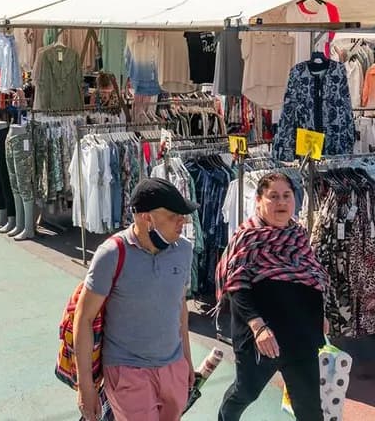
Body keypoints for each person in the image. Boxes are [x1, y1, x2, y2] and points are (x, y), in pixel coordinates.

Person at [74, 178, 195, 421]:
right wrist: (85, 387)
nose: (182, 221)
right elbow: (83, 318)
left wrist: (186, 361)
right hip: (126, 370)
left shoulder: (183, 250)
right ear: (146, 218)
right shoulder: (112, 254)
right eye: (174, 215)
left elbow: (179, 307)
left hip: (173, 367)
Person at [216, 172, 327, 421]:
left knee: (309, 407)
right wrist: (258, 327)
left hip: (301, 333)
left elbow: (313, 277)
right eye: (273, 196)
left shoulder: (298, 236)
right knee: (246, 393)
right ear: (258, 200)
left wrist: (320, 315)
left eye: (286, 196)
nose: (281, 202)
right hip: (262, 337)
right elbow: (236, 286)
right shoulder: (247, 237)